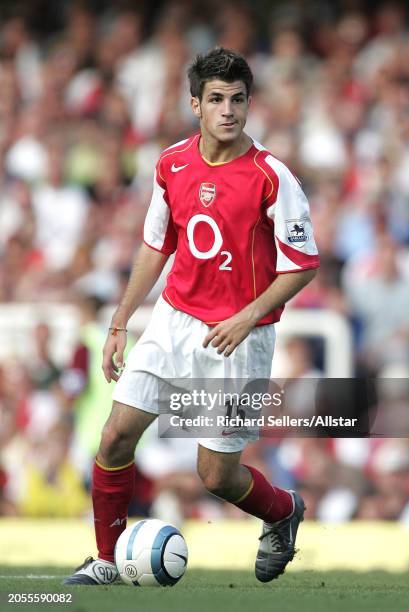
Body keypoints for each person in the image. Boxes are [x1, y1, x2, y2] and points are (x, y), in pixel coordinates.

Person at [63, 47, 319, 586]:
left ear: (250, 104)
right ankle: (107, 560)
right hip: (173, 322)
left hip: (237, 339)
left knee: (215, 477)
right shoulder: (172, 164)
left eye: (239, 99)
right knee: (113, 438)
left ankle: (282, 512)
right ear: (195, 104)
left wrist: (248, 317)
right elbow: (157, 244)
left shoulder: (272, 177)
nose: (229, 110)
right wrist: (119, 322)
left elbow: (302, 265)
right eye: (217, 99)